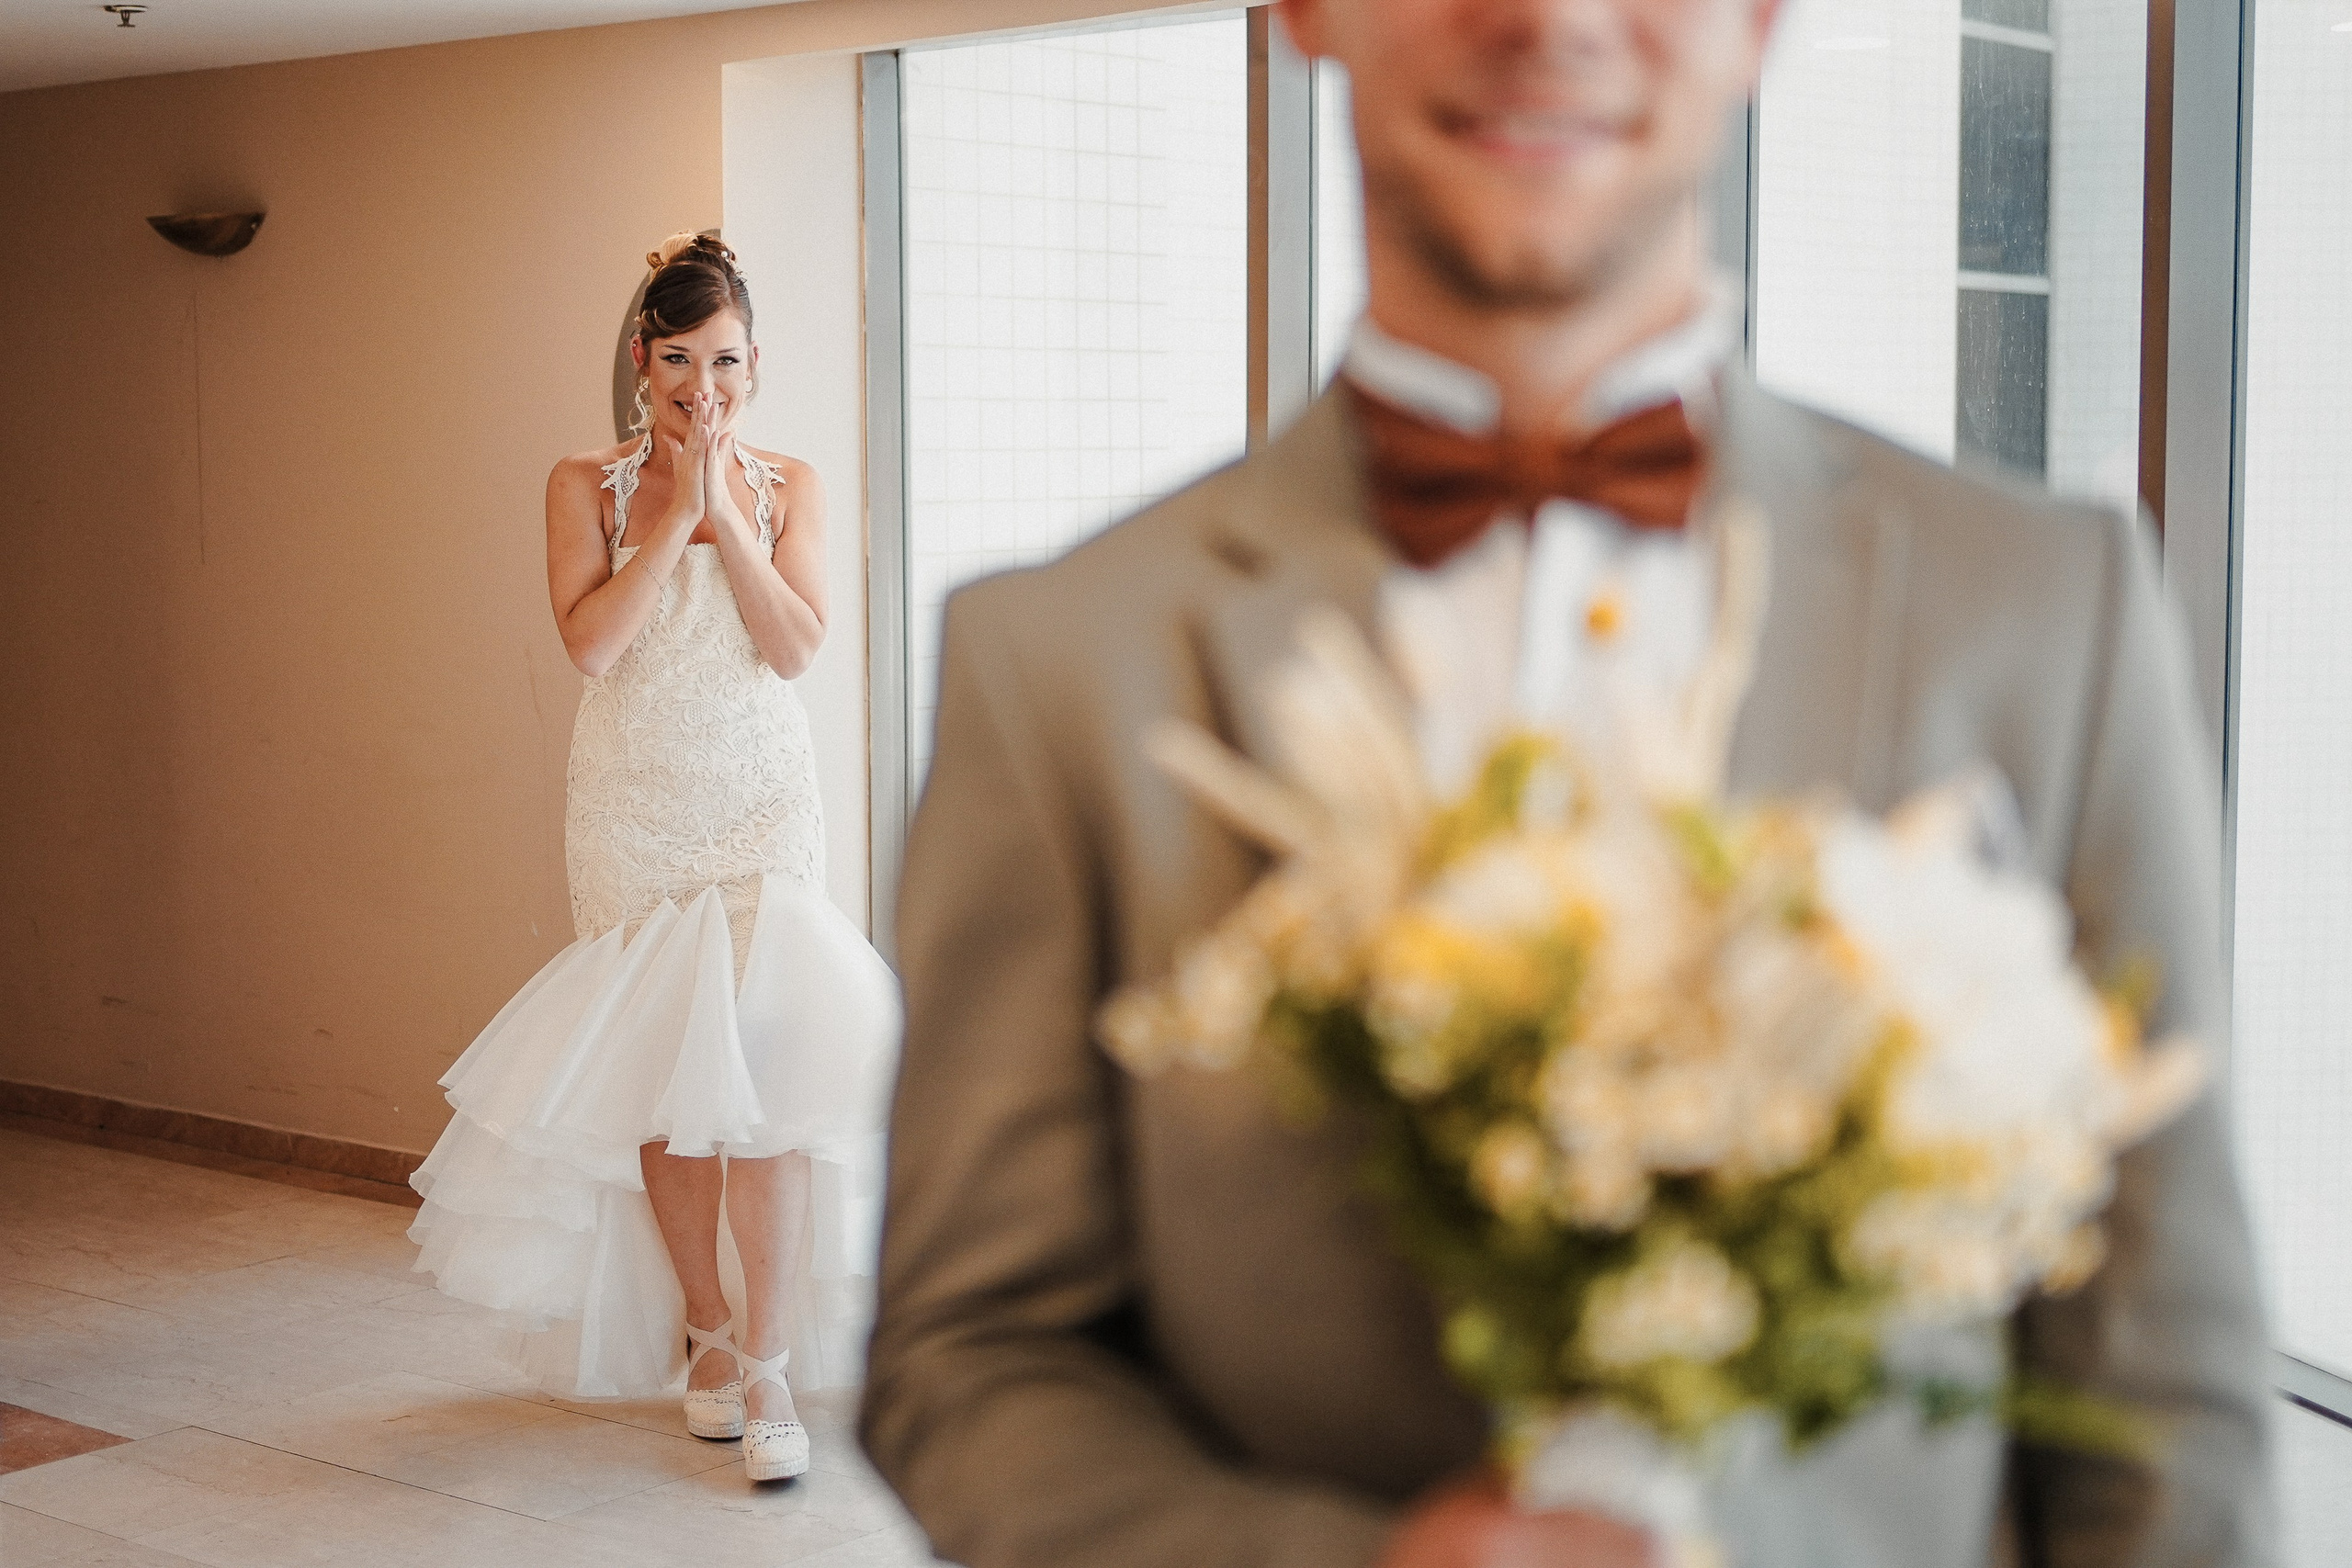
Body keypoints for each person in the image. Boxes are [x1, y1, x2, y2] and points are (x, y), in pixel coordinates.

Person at [865, 1, 2278, 1565]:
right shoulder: (1051, 663)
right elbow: (970, 1360)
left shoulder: (2049, 613)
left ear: (1759, 19)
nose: (1546, 16)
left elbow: (2165, 1408)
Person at [410, 232, 899, 1485]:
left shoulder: (792, 483)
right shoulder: (585, 481)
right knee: (666, 1086)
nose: (705, 385)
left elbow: (794, 648)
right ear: (643, 359)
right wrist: (670, 508)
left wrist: (725, 511)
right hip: (635, 800)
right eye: (680, 358)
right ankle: (708, 1333)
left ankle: (775, 1363)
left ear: (752, 362)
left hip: (758, 798)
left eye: (726, 360)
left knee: (769, 1078)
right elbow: (591, 648)